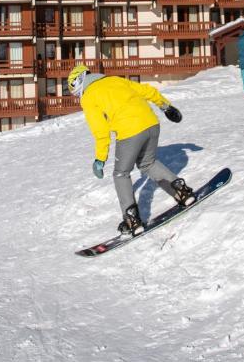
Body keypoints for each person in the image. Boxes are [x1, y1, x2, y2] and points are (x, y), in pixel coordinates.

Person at [68, 63, 193, 237]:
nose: (78, 97)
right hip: (151, 123)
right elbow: (147, 91)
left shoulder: (88, 96)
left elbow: (101, 131)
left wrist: (100, 159)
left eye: (76, 93)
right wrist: (166, 107)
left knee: (121, 174)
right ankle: (181, 190)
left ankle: (131, 219)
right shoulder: (115, 80)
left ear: (79, 84)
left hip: (130, 131)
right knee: (147, 163)